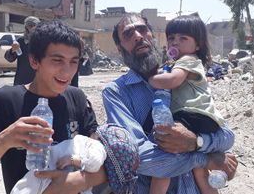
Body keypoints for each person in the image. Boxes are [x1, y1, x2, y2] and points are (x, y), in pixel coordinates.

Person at [0, 20, 106, 194]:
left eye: (73, 61)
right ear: (34, 61)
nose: (67, 72)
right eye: (57, 60)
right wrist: (4, 140)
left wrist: (73, 182)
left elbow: (103, 167)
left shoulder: (77, 98)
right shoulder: (4, 101)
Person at [102, 13, 238, 194]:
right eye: (128, 34)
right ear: (120, 48)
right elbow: (138, 156)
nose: (137, 36)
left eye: (142, 29)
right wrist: (206, 159)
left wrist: (196, 142)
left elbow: (226, 135)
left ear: (152, 35)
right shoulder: (116, 93)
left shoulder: (180, 76)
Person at [148, 15, 230, 194]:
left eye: (183, 38)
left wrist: (150, 77)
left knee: (165, 163)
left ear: (198, 44)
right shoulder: (184, 62)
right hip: (205, 119)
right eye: (171, 38)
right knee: (199, 169)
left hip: (191, 115)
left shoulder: (188, 60)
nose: (175, 43)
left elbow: (172, 80)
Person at [11, 124, 140, 194]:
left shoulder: (91, 143)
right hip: (48, 169)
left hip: (50, 171)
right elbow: (94, 164)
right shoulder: (97, 147)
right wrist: (74, 160)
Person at [5, 16, 39, 86]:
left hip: (38, 79)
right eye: (29, 25)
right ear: (26, 27)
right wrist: (12, 50)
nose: (32, 28)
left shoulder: (42, 41)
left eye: (33, 25)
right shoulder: (21, 41)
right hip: (22, 79)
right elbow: (9, 58)